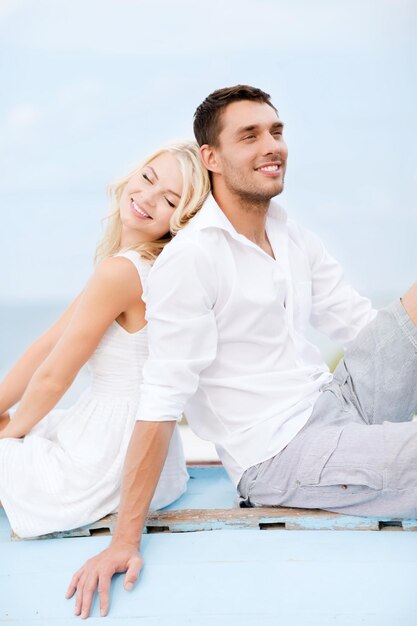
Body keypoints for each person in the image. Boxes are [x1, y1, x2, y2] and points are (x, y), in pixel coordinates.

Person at [67, 85, 417, 619]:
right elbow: (161, 402)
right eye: (248, 136)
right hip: (278, 453)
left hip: (335, 402)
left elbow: (364, 327)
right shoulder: (192, 260)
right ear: (211, 158)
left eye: (275, 132)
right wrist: (123, 541)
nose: (269, 145)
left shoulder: (291, 234)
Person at [0, 140, 210, 539]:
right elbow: (49, 343)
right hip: (146, 451)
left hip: (107, 456)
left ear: (182, 218)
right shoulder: (144, 265)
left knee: (11, 432)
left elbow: (53, 378)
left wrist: (8, 434)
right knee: (9, 419)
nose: (147, 197)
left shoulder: (121, 273)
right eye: (147, 178)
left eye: (168, 199)